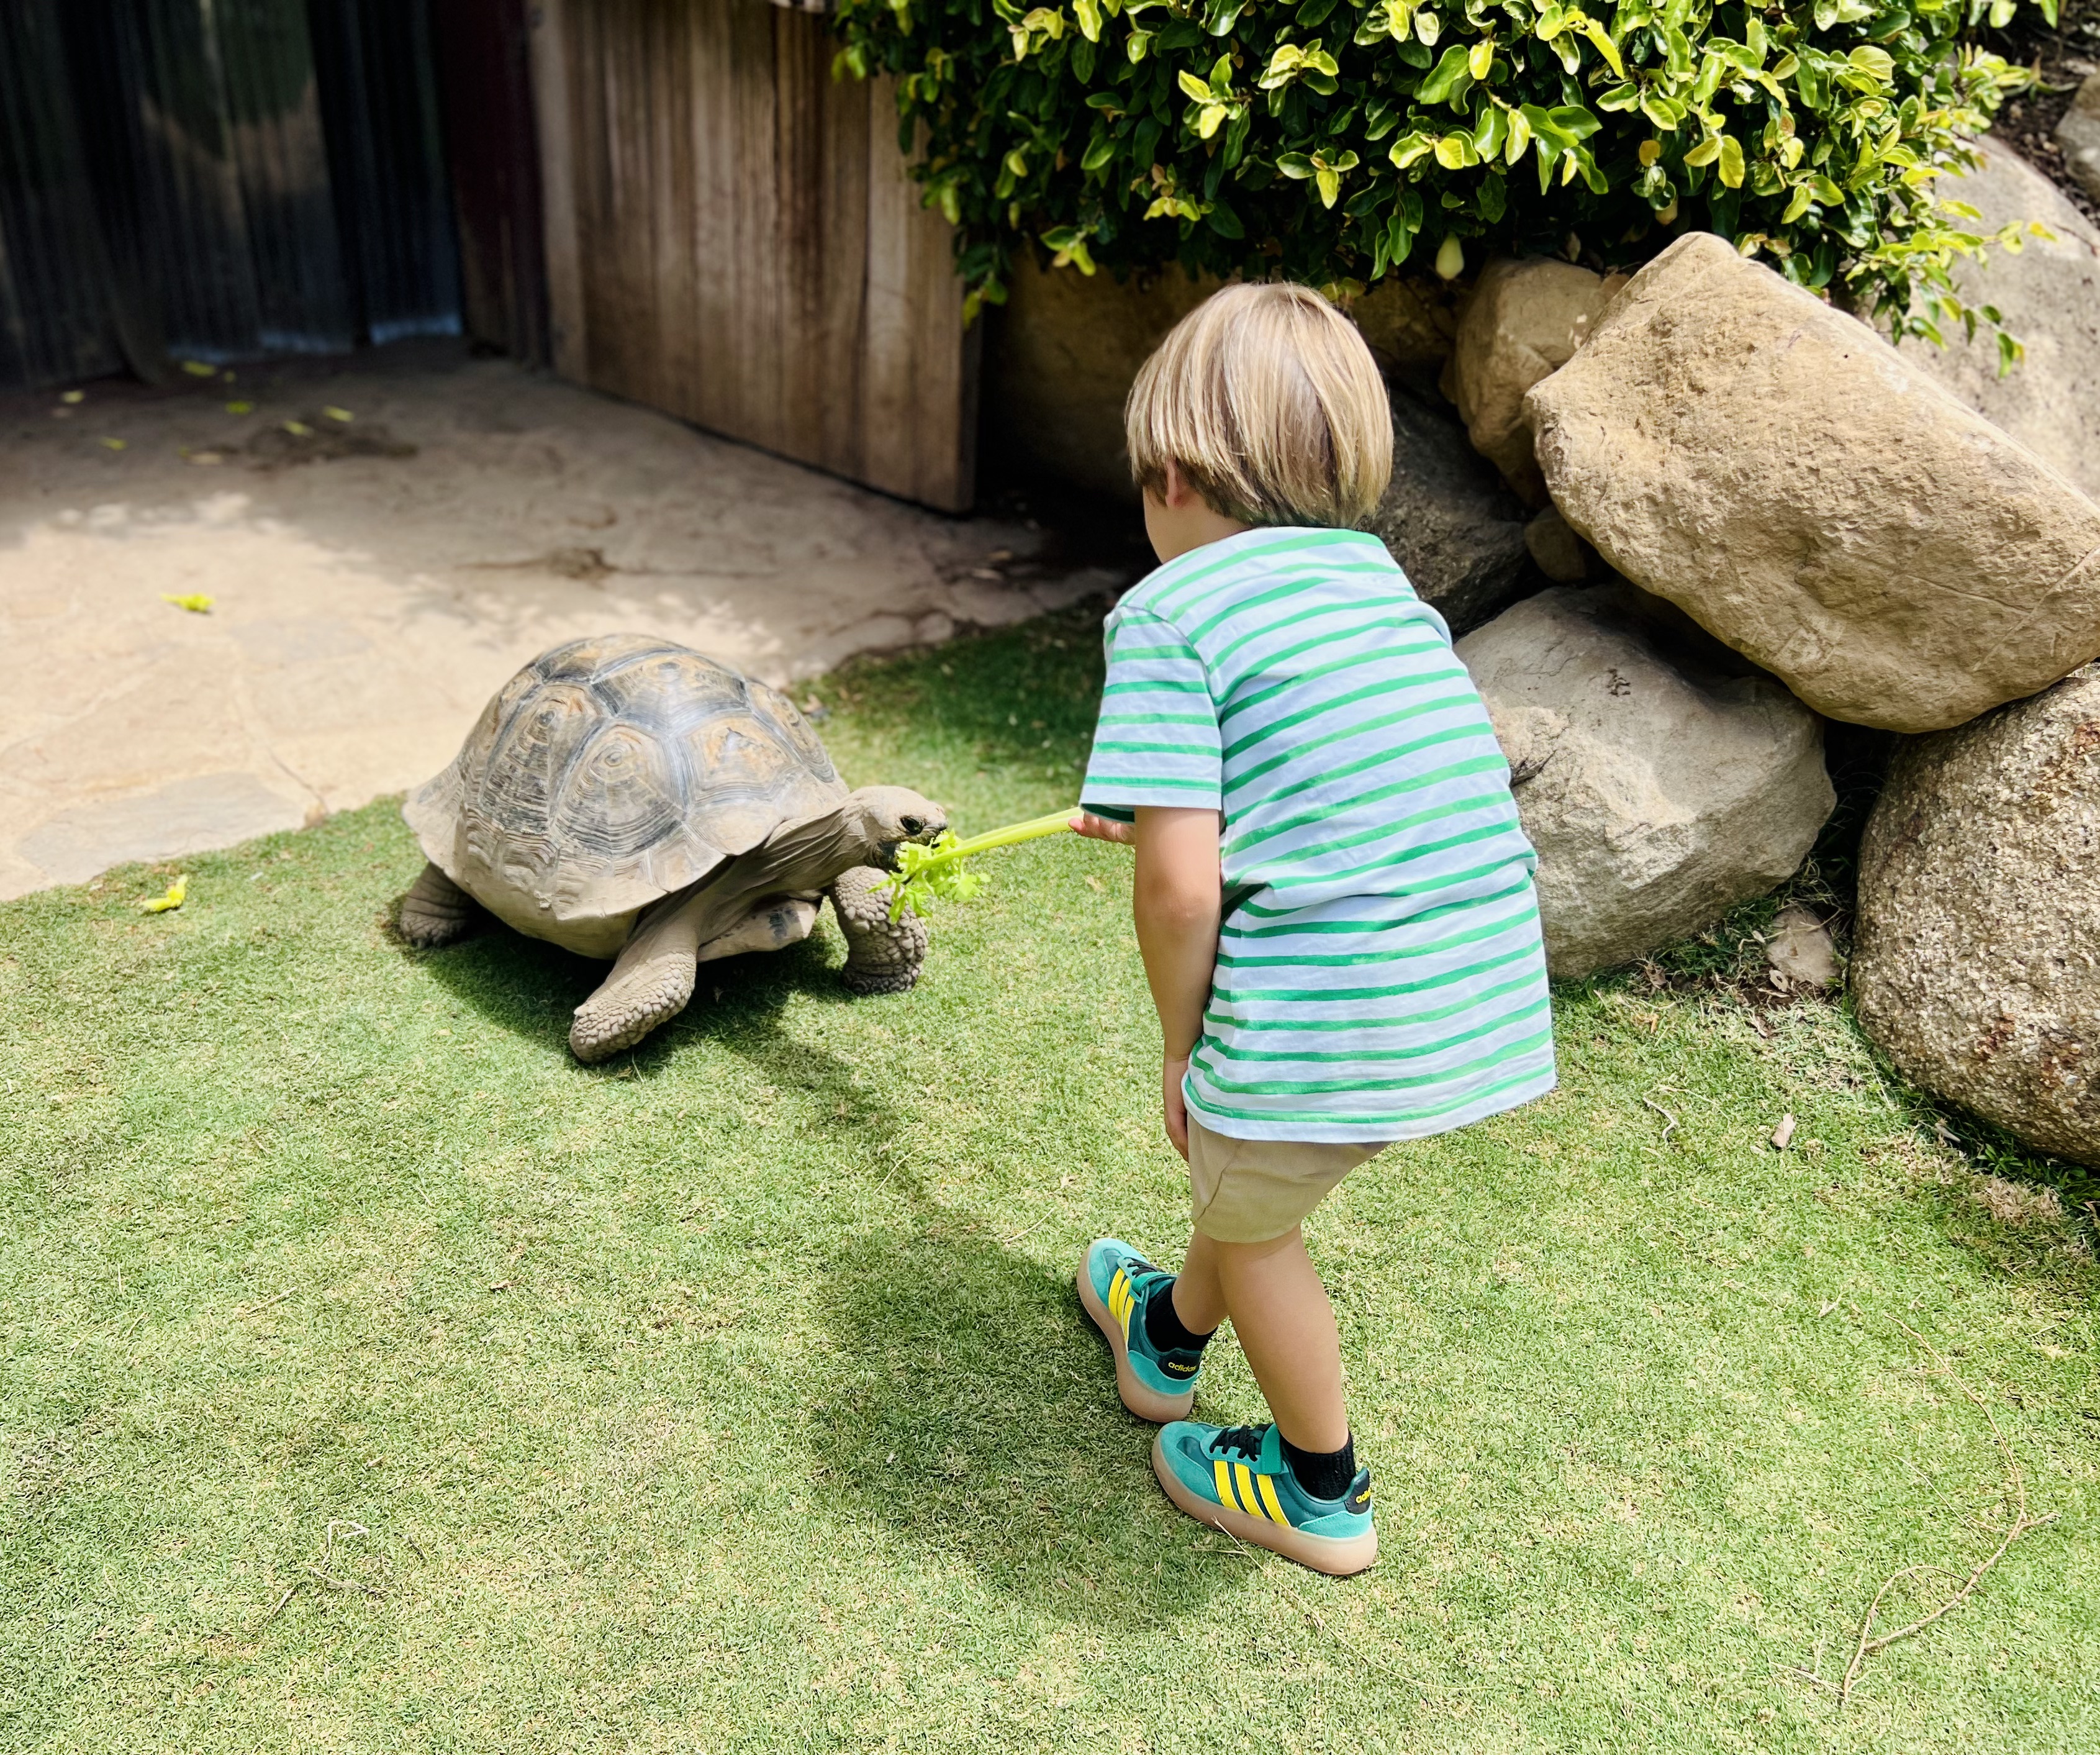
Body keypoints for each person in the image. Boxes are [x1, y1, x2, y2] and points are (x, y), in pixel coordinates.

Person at [1070, 282, 1555, 1576]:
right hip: (1467, 989)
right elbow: (1328, 780)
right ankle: (1165, 1341)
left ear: (1169, 473)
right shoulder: (1377, 586)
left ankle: (1318, 1486)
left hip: (1335, 1014)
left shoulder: (1168, 614)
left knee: (1253, 1205)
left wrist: (1182, 1051)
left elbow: (1180, 895)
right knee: (1250, 1182)